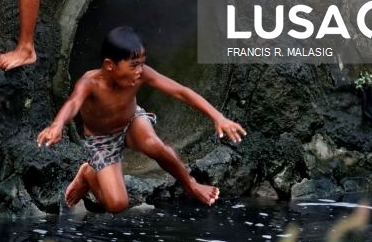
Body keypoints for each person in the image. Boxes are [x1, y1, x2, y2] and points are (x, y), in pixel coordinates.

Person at [37, 26, 247, 211]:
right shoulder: (90, 83)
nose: (140, 71)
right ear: (110, 65)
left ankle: (191, 184)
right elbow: (73, 102)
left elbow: (181, 91)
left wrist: (217, 117)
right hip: (102, 140)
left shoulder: (141, 74)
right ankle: (88, 174)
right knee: (117, 205)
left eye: (142, 64)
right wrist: (57, 125)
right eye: (134, 65)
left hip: (132, 122)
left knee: (154, 145)